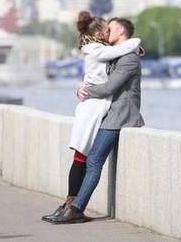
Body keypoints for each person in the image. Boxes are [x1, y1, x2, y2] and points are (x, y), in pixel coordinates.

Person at [41, 11, 141, 222]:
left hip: (119, 114)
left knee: (90, 159)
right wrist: (82, 89)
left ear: (120, 31)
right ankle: (71, 206)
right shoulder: (107, 52)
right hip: (104, 111)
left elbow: (109, 87)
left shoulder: (127, 57)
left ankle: (74, 208)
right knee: (85, 158)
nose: (107, 32)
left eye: (111, 29)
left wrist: (85, 90)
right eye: (105, 29)